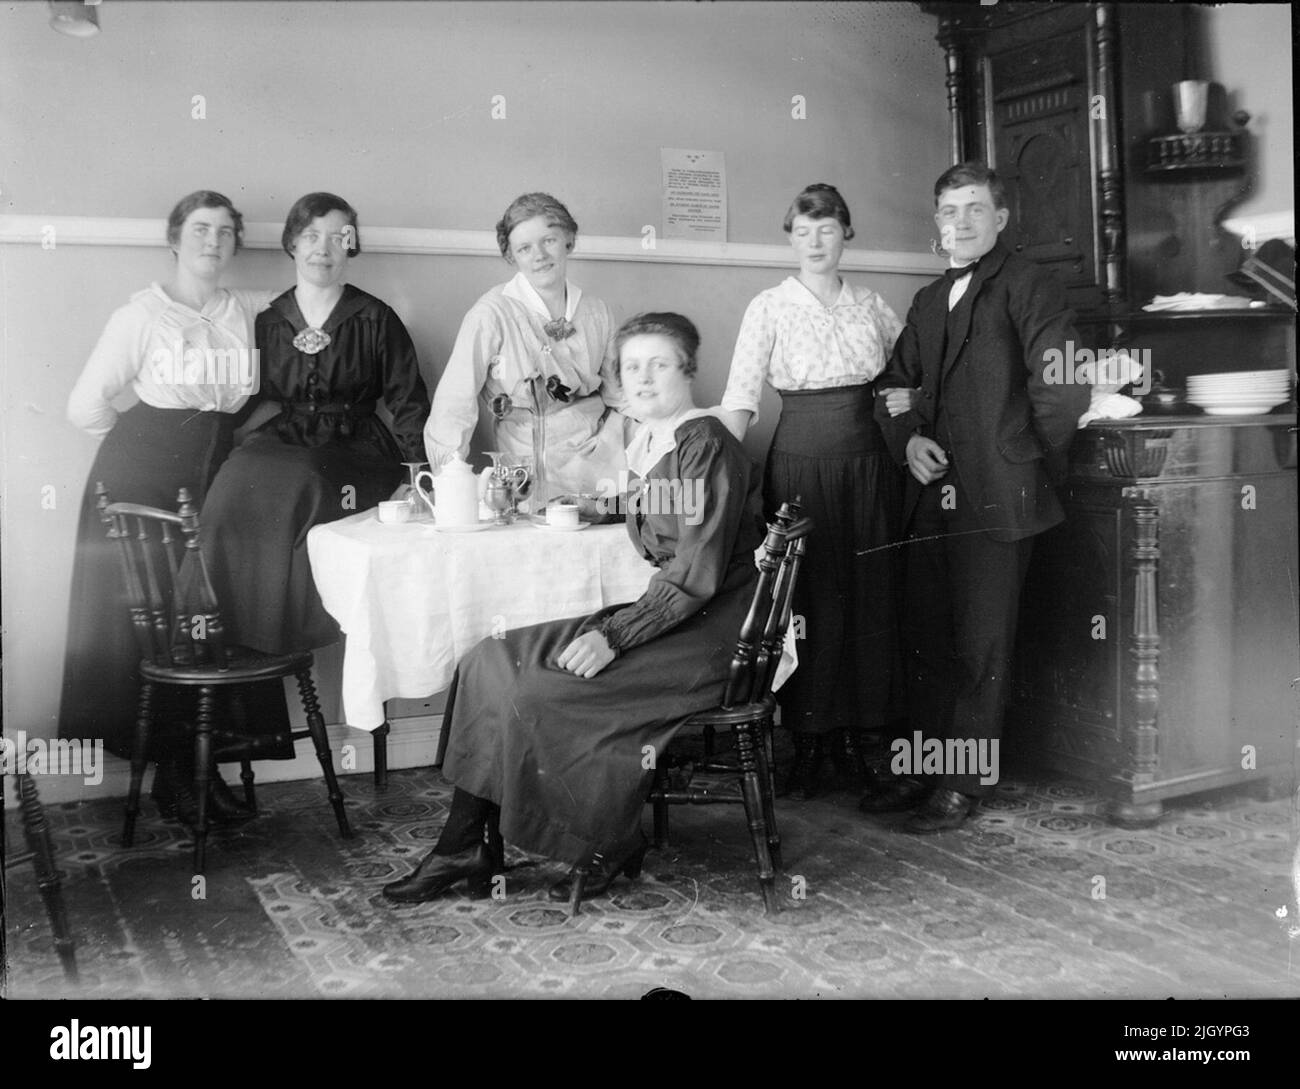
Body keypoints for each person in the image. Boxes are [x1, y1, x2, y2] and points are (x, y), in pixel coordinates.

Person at [382, 313, 766, 904]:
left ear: (688, 370)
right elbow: (664, 517)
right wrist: (597, 507)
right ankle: (466, 844)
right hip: (676, 610)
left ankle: (603, 839)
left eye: (658, 364)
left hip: (711, 630)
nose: (642, 378)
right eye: (631, 366)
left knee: (539, 687)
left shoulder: (706, 444)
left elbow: (695, 573)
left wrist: (615, 635)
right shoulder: (654, 439)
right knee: (489, 657)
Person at [863, 162, 1090, 832]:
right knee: (930, 636)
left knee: (981, 644)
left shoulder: (1030, 284)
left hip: (1000, 494)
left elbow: (1064, 388)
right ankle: (926, 770)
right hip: (931, 492)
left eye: (973, 209)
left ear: (1000, 219)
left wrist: (1019, 461)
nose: (958, 223)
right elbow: (891, 386)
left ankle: (961, 784)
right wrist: (907, 439)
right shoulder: (930, 300)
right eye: (948, 211)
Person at [60, 190, 278, 824]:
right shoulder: (143, 316)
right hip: (147, 486)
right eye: (200, 229)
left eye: (226, 232)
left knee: (213, 619)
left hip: (219, 480)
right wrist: (145, 454)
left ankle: (202, 771)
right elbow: (86, 407)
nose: (213, 242)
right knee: (160, 628)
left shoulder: (250, 311)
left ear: (237, 244)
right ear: (175, 240)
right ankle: (176, 776)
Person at [718, 183, 906, 799]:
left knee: (868, 595)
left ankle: (854, 736)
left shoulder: (874, 305)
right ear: (790, 238)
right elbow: (741, 398)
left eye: (827, 229)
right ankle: (808, 737)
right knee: (809, 597)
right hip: (801, 463)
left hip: (869, 464)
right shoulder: (769, 306)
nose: (816, 242)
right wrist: (713, 473)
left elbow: (910, 378)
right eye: (803, 231)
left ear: (846, 234)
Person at [200, 193, 431, 656]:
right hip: (284, 440)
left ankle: (276, 635)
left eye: (338, 237)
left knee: (305, 476)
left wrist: (417, 475)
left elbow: (407, 400)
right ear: (292, 243)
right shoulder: (268, 319)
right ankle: (223, 633)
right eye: (310, 236)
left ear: (352, 246)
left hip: (354, 450)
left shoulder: (375, 318)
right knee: (232, 483)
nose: (322, 248)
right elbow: (243, 398)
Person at [422, 192, 627, 505]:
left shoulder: (598, 312)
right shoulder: (491, 313)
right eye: (525, 248)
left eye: (549, 240)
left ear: (569, 241)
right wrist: (452, 480)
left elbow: (624, 397)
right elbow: (454, 403)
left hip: (595, 470)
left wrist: (611, 436)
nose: (539, 255)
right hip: (521, 476)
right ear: (511, 256)